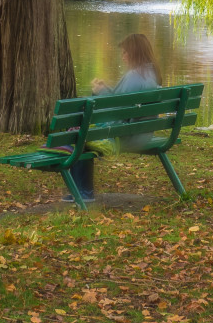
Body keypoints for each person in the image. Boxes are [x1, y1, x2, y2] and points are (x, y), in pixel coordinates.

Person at [65, 33, 163, 204]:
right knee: (82, 130)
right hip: (142, 133)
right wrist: (106, 90)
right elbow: (122, 103)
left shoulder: (134, 76)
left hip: (126, 137)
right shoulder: (151, 73)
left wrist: (99, 92)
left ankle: (83, 191)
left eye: (125, 52)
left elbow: (116, 110)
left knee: (78, 131)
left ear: (134, 53)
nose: (123, 57)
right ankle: (81, 190)